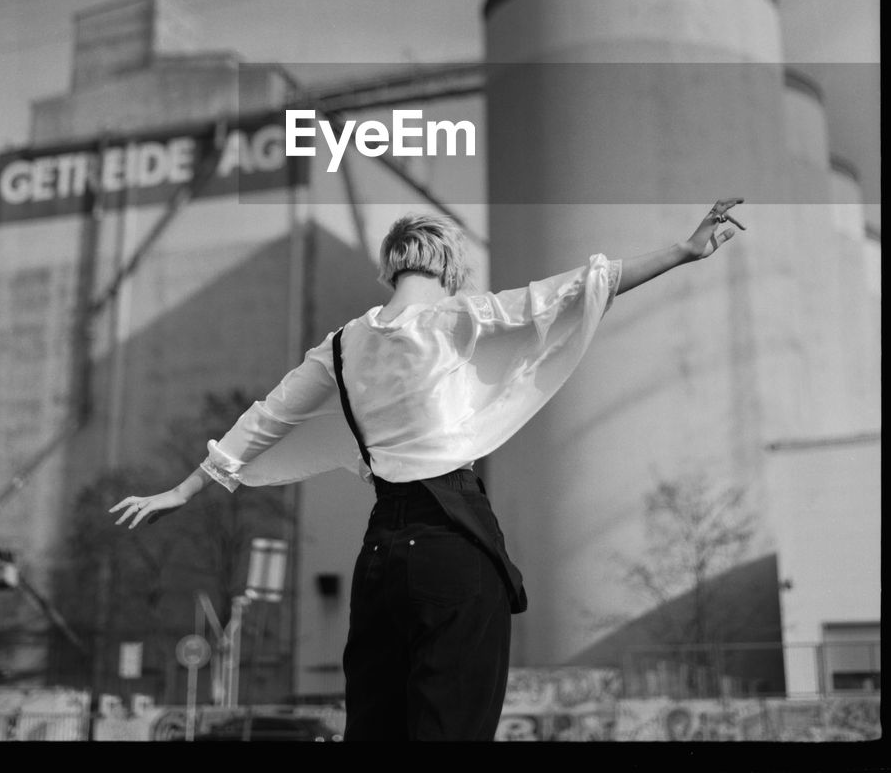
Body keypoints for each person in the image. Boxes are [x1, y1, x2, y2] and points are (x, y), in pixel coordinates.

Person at [111, 199, 745, 741]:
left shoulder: (340, 344)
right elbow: (574, 290)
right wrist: (683, 252)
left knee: (376, 726)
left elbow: (266, 419)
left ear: (391, 264)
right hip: (451, 542)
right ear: (448, 266)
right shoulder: (456, 317)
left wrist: (185, 487)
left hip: (382, 551)